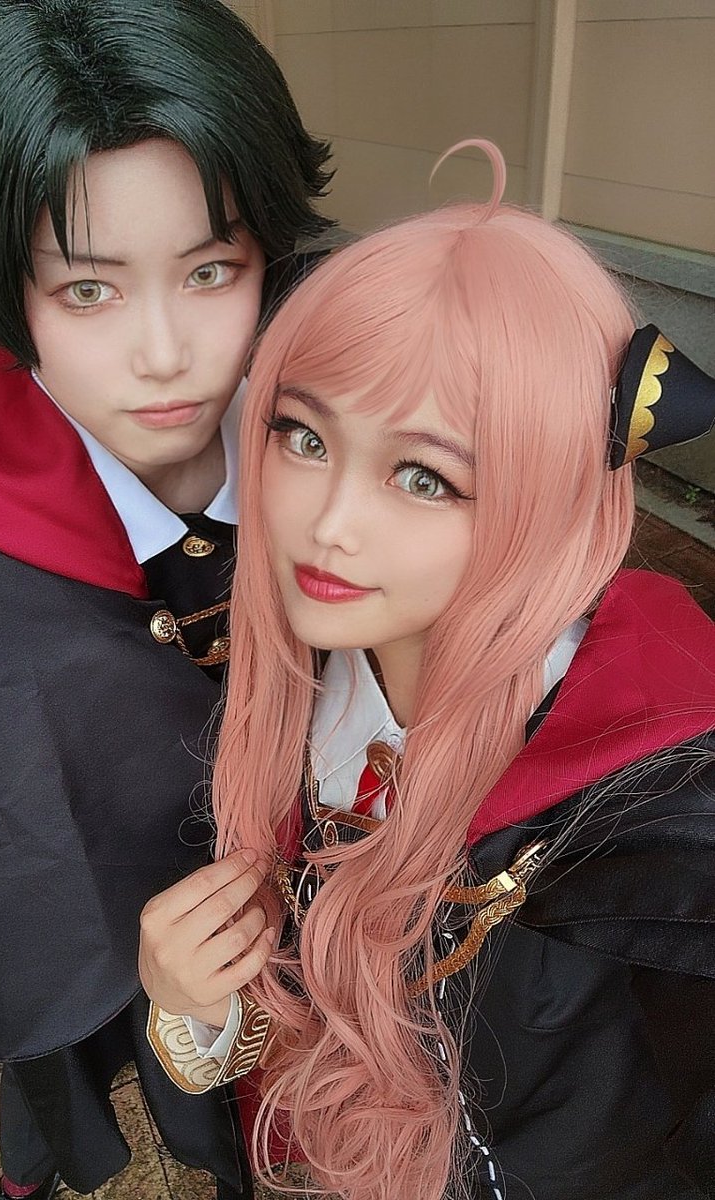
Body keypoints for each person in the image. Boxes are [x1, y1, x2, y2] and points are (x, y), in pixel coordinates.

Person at [139, 141, 715, 1200]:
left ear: (547, 498)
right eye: (302, 437)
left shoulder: (663, 830)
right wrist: (196, 1009)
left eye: (424, 476)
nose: (329, 524)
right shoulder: (283, 678)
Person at [0, 2, 332, 1197]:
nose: (166, 354)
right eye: (88, 291)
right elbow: (9, 839)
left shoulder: (352, 417)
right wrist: (165, 995)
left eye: (212, 271)